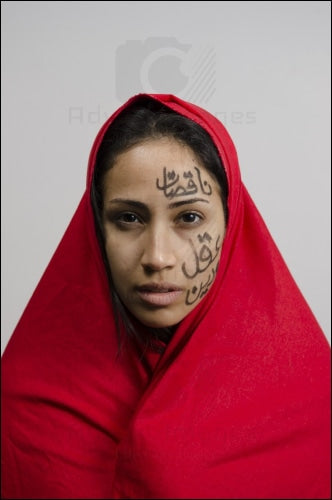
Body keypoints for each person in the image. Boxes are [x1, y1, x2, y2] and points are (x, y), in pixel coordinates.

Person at [1, 93, 330, 499]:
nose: (157, 257)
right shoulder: (26, 393)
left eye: (189, 218)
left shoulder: (307, 395)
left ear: (231, 222)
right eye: (128, 218)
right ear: (96, 227)